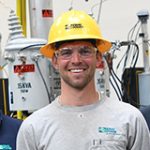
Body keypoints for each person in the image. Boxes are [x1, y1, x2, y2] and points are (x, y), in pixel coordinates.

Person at [16, 10, 150, 150]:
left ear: (98, 57)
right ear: (55, 61)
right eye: (66, 52)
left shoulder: (129, 120)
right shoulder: (33, 128)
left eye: (85, 51)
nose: (76, 60)